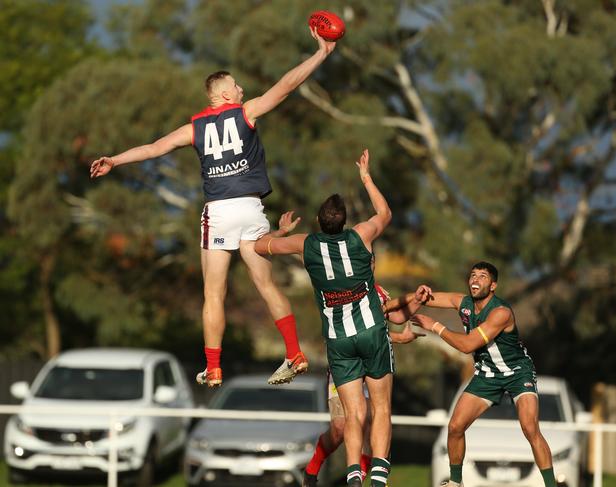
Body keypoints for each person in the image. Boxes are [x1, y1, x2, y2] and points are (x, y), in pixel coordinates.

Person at [89, 27, 337, 387]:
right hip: (252, 210)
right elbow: (285, 86)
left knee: (213, 294)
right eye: (236, 86)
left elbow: (154, 148)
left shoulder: (195, 127)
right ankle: (294, 352)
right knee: (266, 286)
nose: (241, 90)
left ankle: (214, 366)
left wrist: (114, 159)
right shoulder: (247, 112)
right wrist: (320, 54)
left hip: (219, 213)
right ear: (223, 93)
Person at [255, 149, 395, 487]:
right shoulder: (361, 235)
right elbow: (385, 212)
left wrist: (281, 231)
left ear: (319, 223)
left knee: (353, 415)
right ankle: (378, 477)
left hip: (339, 340)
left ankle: (353, 477)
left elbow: (260, 248)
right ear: (344, 222)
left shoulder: (306, 244)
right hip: (372, 332)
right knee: (381, 407)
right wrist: (366, 178)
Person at [410, 262, 557, 487]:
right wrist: (390, 304)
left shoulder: (501, 312)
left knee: (529, 427)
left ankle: (550, 485)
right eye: (473, 275)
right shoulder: (463, 303)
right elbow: (424, 297)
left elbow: (468, 345)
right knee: (455, 427)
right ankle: (455, 482)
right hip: (487, 374)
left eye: (482, 276)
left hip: (517, 372)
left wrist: (435, 326)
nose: (476, 280)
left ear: (493, 285)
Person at [302, 284, 428, 487]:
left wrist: (416, 303)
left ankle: (359, 479)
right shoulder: (338, 287)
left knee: (372, 423)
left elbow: (392, 317)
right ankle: (312, 469)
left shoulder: (376, 290)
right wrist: (399, 337)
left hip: (373, 361)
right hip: (344, 363)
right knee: (340, 427)